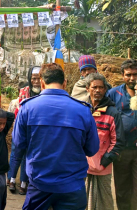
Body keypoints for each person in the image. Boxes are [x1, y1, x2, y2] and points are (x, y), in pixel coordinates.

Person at [13, 63, 99, 209]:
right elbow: (92, 149)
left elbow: (18, 144)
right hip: (72, 188)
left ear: (42, 83)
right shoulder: (83, 110)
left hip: (39, 185)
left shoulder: (27, 108)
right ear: (65, 83)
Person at [83, 73, 125, 210]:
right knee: (80, 200)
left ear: (105, 90)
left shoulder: (112, 113)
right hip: (82, 167)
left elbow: (118, 141)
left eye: (101, 88)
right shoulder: (82, 109)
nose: (98, 91)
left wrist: (105, 160)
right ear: (87, 88)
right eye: (94, 87)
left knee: (104, 203)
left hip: (102, 167)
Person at [107, 59, 137, 210]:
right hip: (122, 149)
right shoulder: (114, 93)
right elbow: (104, 115)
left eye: (135, 75)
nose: (132, 78)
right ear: (122, 75)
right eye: (129, 75)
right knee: (122, 187)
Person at [9, 66, 41, 194]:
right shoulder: (24, 91)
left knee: (28, 156)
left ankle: (23, 182)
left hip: (35, 131)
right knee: (16, 154)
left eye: (39, 79)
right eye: (33, 79)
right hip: (22, 128)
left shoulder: (44, 92)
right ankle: (11, 180)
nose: (36, 82)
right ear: (29, 78)